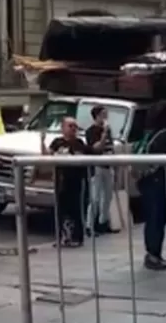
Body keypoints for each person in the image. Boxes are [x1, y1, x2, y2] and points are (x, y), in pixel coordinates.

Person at [137, 100, 166, 270]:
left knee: (151, 218)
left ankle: (152, 253)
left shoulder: (150, 133)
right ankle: (154, 255)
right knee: (158, 217)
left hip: (147, 180)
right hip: (160, 181)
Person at [45, 116, 89, 247]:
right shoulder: (57, 142)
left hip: (75, 180)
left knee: (75, 209)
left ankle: (76, 237)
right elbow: (48, 155)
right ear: (63, 128)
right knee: (60, 210)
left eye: (75, 126)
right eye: (70, 126)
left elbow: (83, 157)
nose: (73, 129)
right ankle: (61, 237)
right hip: (61, 180)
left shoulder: (79, 143)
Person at [84, 105, 115, 237]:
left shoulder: (108, 130)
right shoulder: (91, 131)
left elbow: (110, 146)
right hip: (97, 166)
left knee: (107, 196)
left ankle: (103, 222)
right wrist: (103, 134)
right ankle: (90, 225)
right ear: (96, 116)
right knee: (95, 198)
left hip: (108, 165)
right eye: (103, 114)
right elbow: (96, 148)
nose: (105, 117)